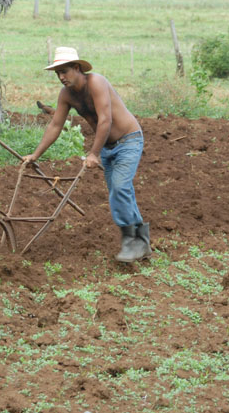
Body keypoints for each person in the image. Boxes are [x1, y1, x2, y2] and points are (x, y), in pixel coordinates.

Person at [22, 46, 150, 262]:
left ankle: (131, 243)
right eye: (58, 73)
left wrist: (93, 154)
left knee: (120, 189)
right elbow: (55, 125)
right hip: (108, 148)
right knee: (120, 192)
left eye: (65, 71)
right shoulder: (66, 95)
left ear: (77, 68)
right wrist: (35, 155)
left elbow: (105, 119)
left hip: (129, 140)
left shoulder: (96, 83)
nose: (61, 77)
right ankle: (141, 243)